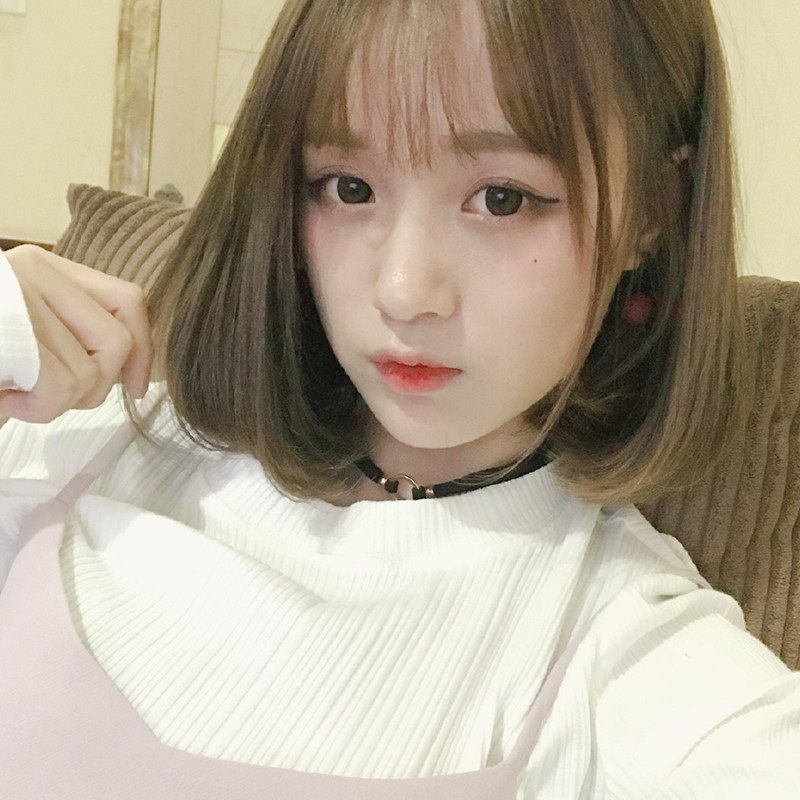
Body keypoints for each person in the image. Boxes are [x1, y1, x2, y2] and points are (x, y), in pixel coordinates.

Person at [1, 0, 799, 797]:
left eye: (503, 199)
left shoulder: (627, 652)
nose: (404, 291)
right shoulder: (76, 437)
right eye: (349, 188)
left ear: (652, 209)